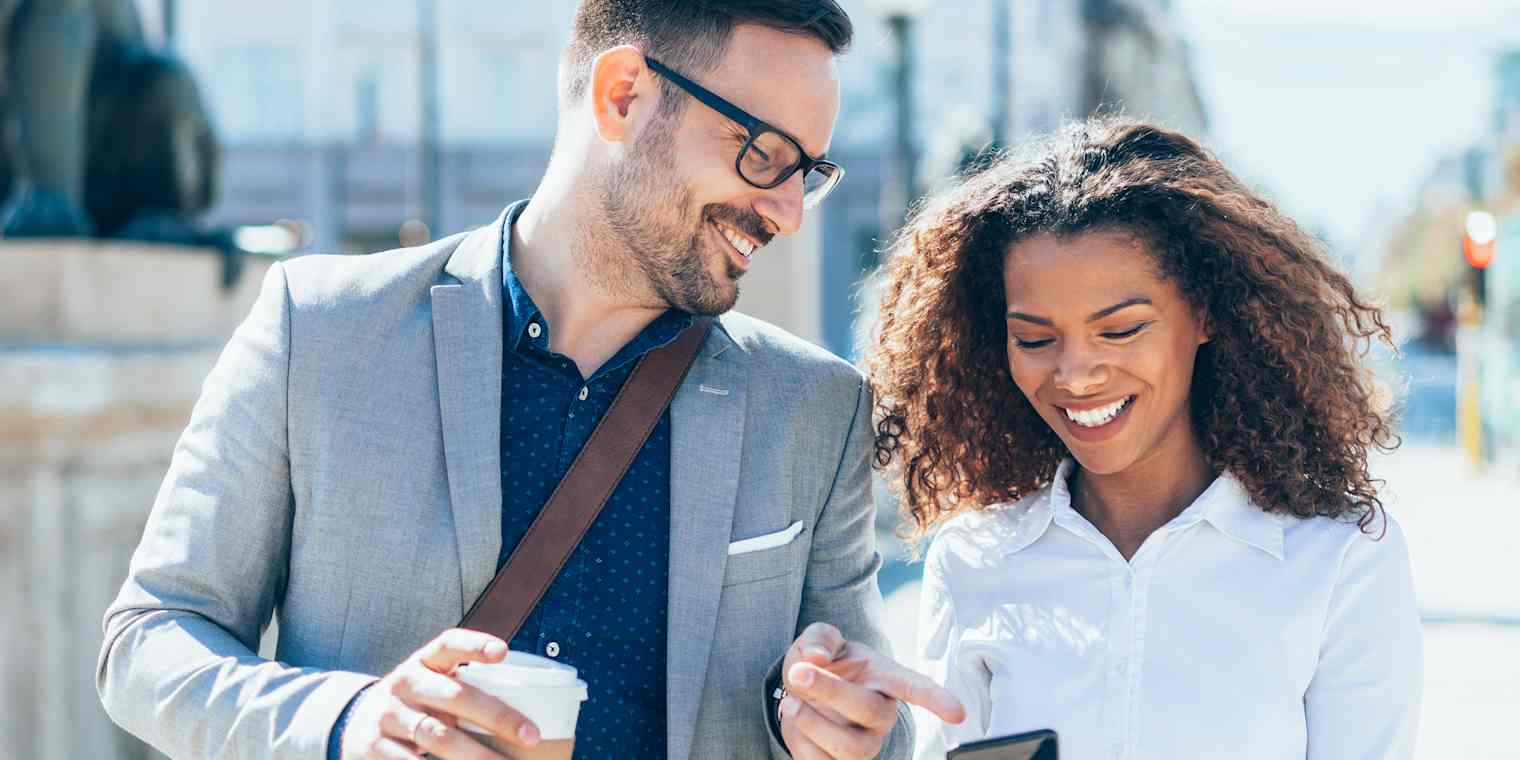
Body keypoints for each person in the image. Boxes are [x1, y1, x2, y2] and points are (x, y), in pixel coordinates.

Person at [96, 2, 964, 759]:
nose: (784, 209)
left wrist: (830, 726)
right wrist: (347, 724)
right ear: (623, 94)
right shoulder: (319, 328)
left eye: (809, 173)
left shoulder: (817, 407)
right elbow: (148, 641)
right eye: (765, 154)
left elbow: (865, 715)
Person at [866, 119, 1423, 759]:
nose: (1075, 374)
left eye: (1121, 329)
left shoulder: (1340, 562)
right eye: (1035, 339)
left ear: (1205, 313)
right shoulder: (973, 561)